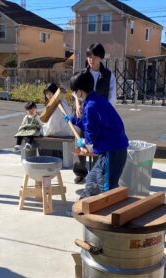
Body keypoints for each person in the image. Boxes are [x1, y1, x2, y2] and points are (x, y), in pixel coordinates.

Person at [65, 71, 128, 199]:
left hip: (112, 152)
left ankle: (108, 215)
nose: (75, 95)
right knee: (92, 180)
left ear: (80, 91)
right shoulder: (97, 101)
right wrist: (74, 120)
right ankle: (83, 207)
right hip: (113, 150)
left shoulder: (91, 106)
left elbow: (91, 136)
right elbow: (91, 123)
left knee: (106, 188)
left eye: (74, 92)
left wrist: (84, 142)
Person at [73, 43, 118, 184]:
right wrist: (77, 103)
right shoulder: (82, 73)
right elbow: (75, 91)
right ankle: (80, 171)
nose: (90, 59)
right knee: (81, 141)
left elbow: (112, 97)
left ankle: (97, 172)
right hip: (83, 113)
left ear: (101, 57)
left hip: (100, 116)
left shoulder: (108, 75)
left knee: (98, 143)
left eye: (94, 56)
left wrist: (105, 113)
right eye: (88, 56)